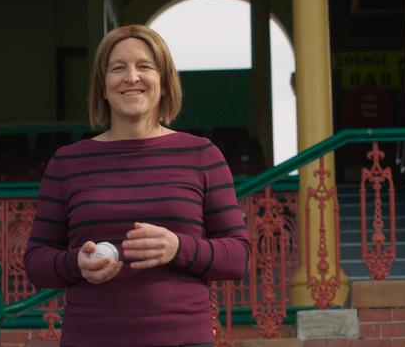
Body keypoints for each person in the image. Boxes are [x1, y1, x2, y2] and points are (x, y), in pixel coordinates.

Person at [24, 24, 251, 347]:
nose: (131, 77)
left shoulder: (202, 154)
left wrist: (178, 247)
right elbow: (36, 262)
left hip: (183, 339)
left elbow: (238, 256)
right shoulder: (67, 162)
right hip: (90, 339)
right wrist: (75, 262)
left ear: (164, 82)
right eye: (118, 68)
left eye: (144, 66)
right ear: (103, 87)